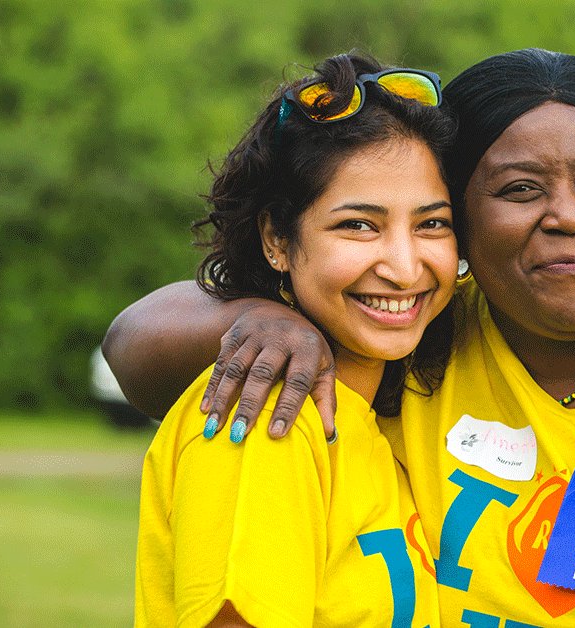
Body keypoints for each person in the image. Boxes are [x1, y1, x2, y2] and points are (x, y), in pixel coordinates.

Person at [108, 48, 575, 626]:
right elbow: (135, 345)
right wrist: (263, 322)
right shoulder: (389, 350)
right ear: (467, 228)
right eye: (518, 189)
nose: (569, 213)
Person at [133, 52, 457, 627]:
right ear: (277, 240)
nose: (406, 268)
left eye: (432, 223)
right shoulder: (264, 414)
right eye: (358, 224)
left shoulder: (385, 418)